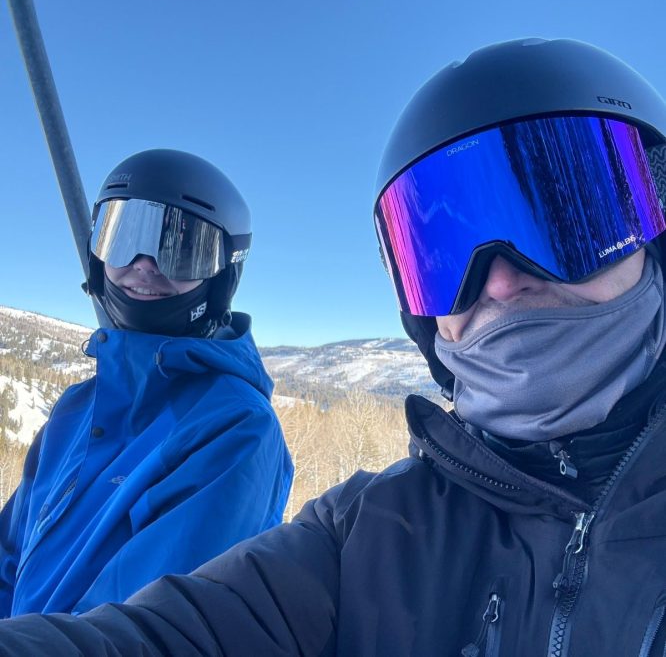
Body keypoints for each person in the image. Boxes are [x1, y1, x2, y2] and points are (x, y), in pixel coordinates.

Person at [0, 37, 665, 656]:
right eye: (444, 254)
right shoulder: (367, 532)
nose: (497, 281)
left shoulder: (232, 430)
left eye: (568, 224)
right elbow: (163, 634)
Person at [0, 149, 293, 616]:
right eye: (123, 237)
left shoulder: (235, 427)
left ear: (221, 276)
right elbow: (10, 553)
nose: (144, 264)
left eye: (179, 248)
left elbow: (146, 628)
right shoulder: (77, 408)